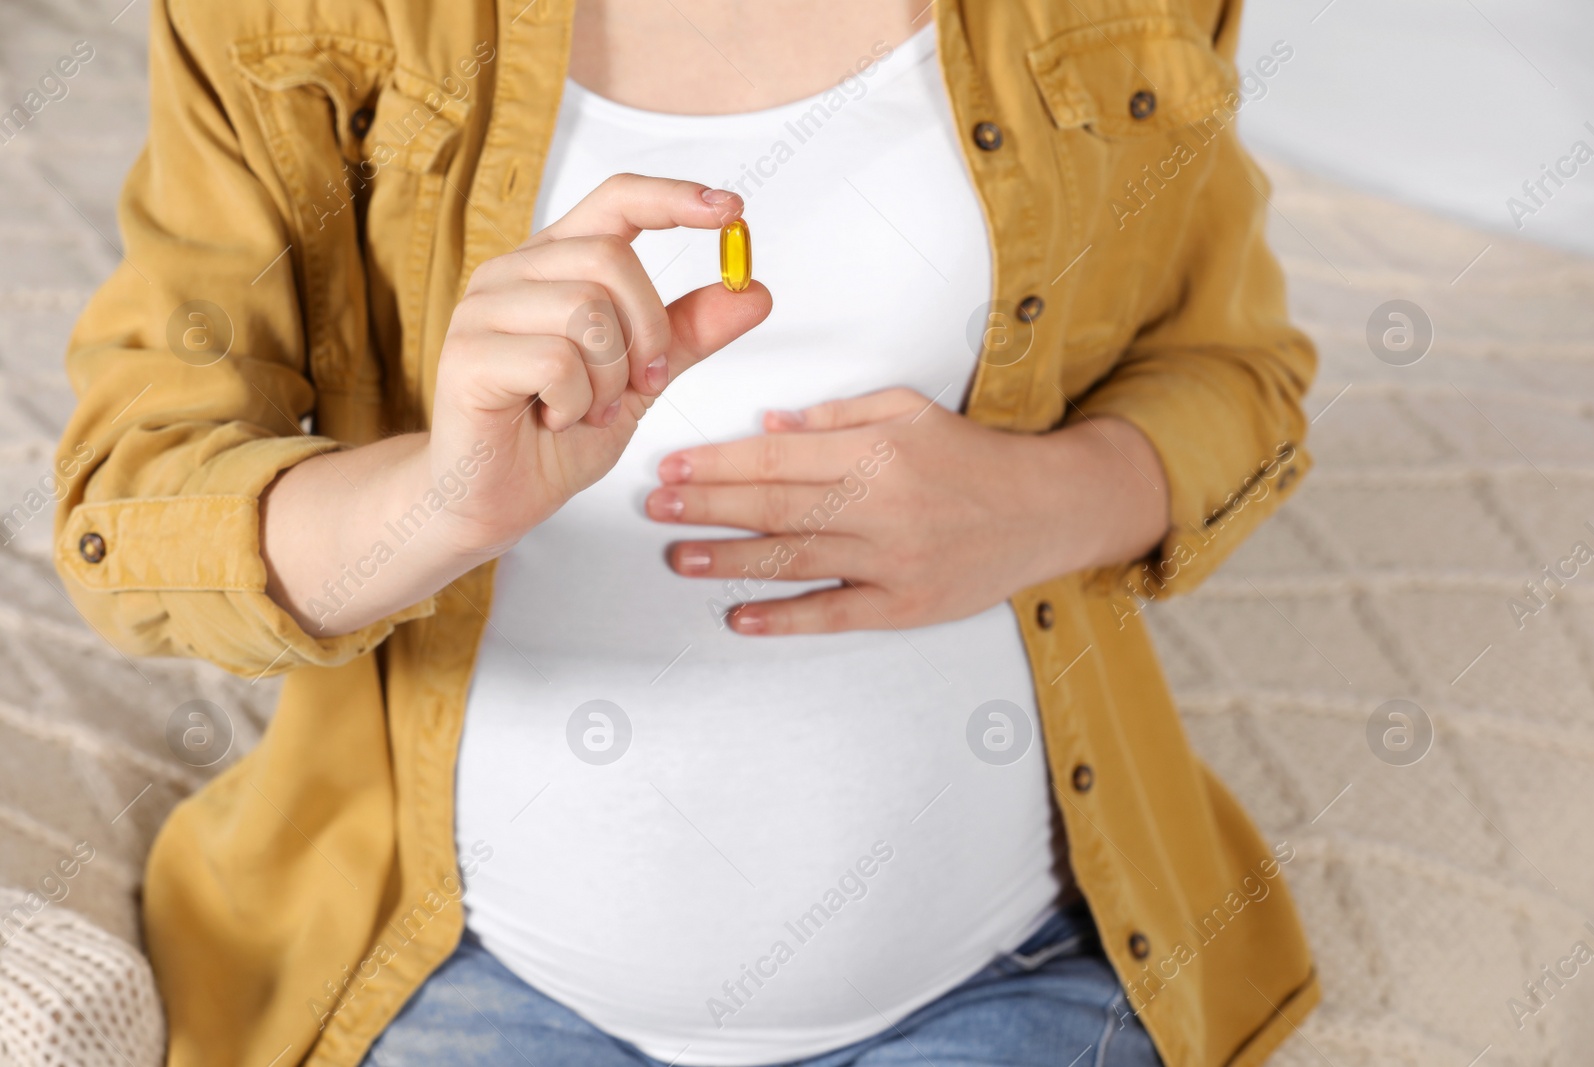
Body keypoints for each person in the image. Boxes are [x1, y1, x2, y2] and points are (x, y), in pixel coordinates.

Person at [52, 0, 1319, 1064]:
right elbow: (136, 504)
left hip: (1017, 971)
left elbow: (1235, 370)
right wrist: (443, 498)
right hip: (456, 973)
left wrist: (1043, 502)